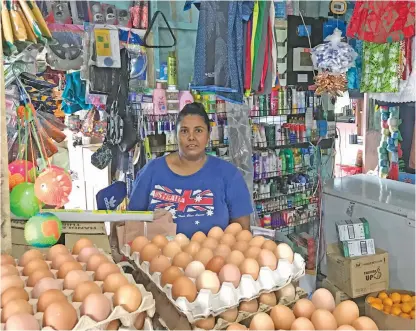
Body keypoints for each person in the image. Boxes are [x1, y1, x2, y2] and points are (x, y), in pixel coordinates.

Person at [128, 102, 253, 238]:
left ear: (208, 134)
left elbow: (242, 232)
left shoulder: (229, 175)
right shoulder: (151, 172)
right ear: (176, 135)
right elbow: (132, 223)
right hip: (156, 256)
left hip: (214, 258)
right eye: (184, 131)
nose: (191, 137)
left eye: (198, 130)